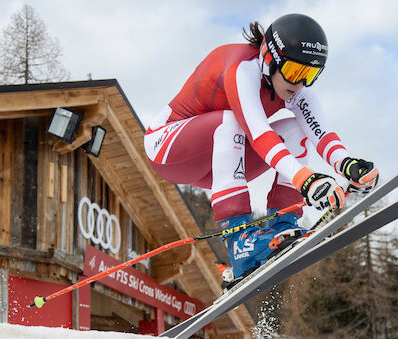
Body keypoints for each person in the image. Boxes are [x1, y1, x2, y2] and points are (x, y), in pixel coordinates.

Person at [144, 13, 378, 287]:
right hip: (167, 149)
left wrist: (347, 164)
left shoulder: (298, 90)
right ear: (270, 59)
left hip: (219, 160)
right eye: (294, 72)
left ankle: (282, 224)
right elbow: (259, 133)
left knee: (293, 127)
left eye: (310, 74)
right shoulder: (241, 69)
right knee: (229, 119)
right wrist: (307, 180)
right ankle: (239, 242)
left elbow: (321, 133)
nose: (300, 83)